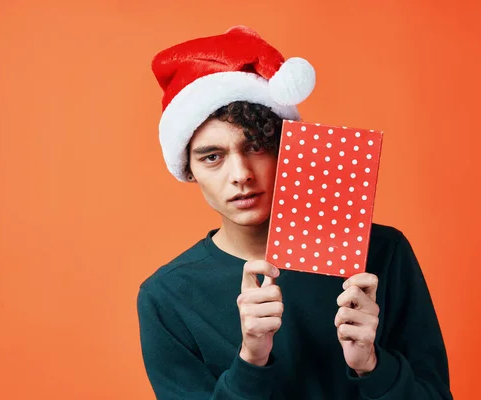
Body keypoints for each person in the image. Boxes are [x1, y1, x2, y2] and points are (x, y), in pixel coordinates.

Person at [137, 25, 453, 400]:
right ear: (190, 170)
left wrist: (372, 365)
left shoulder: (381, 252)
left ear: (288, 148)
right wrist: (250, 359)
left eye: (256, 146)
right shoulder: (167, 295)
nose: (241, 176)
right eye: (213, 157)